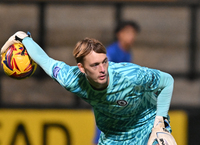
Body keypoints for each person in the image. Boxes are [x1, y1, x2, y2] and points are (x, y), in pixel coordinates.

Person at [1, 31, 177, 145]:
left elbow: (167, 81)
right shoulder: (72, 79)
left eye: (104, 62)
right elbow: (44, 61)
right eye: (94, 65)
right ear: (81, 68)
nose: (102, 70)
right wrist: (23, 38)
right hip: (114, 137)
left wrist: (159, 123)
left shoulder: (131, 75)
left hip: (147, 125)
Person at [93, 20, 140, 144]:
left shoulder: (127, 52)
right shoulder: (111, 52)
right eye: (128, 32)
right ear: (119, 34)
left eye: (133, 33)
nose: (131, 36)